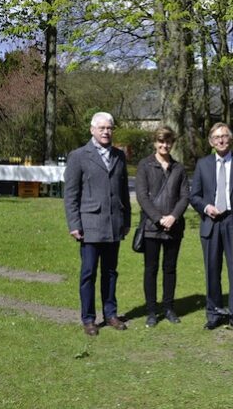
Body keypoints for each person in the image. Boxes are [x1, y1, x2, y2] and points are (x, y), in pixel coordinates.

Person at [64, 112, 131, 336]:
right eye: (101, 128)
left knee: (111, 272)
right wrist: (74, 223)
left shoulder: (119, 156)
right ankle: (89, 319)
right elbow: (71, 194)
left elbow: (123, 192)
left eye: (109, 128)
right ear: (92, 130)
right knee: (89, 273)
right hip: (90, 224)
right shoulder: (79, 156)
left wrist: (126, 221)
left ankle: (111, 314)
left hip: (114, 224)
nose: (106, 132)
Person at [190, 122, 233, 330]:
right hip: (211, 223)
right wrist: (206, 207)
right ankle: (214, 313)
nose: (221, 140)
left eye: (225, 136)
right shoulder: (203, 164)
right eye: (217, 137)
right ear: (211, 141)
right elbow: (194, 196)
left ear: (231, 139)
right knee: (212, 269)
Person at [135, 126, 189, 327]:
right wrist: (159, 218)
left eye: (168, 142)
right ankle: (151, 311)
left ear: (172, 143)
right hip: (151, 227)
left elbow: (185, 196)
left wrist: (173, 216)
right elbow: (142, 196)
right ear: (154, 143)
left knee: (170, 269)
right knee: (151, 269)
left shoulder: (179, 168)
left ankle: (168, 308)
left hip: (174, 228)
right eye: (160, 141)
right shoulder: (145, 165)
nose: (164, 145)